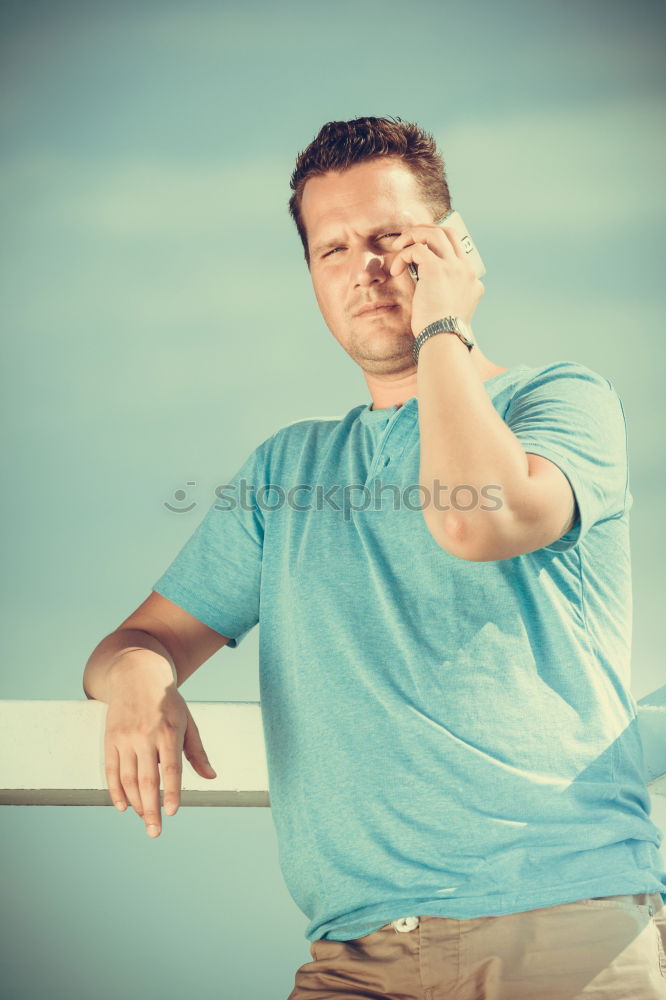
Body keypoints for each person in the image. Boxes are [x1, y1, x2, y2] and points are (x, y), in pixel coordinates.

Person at [83, 117, 666, 999]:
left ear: (454, 247)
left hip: (566, 930)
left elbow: (478, 520)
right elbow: (142, 637)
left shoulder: (562, 400)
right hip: (356, 959)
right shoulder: (288, 471)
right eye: (334, 249)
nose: (367, 268)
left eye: (392, 239)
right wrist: (134, 678)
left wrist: (443, 330)